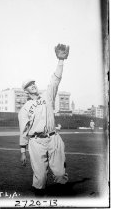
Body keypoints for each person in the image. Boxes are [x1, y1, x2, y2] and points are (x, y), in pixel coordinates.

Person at [18, 44, 69, 195]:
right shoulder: (25, 108)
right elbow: (23, 131)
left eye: (33, 83)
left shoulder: (47, 96)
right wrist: (22, 151)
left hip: (53, 138)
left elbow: (55, 80)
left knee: (60, 174)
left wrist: (60, 61)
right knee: (40, 178)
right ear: (26, 90)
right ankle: (39, 204)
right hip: (36, 142)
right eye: (29, 85)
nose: (32, 85)